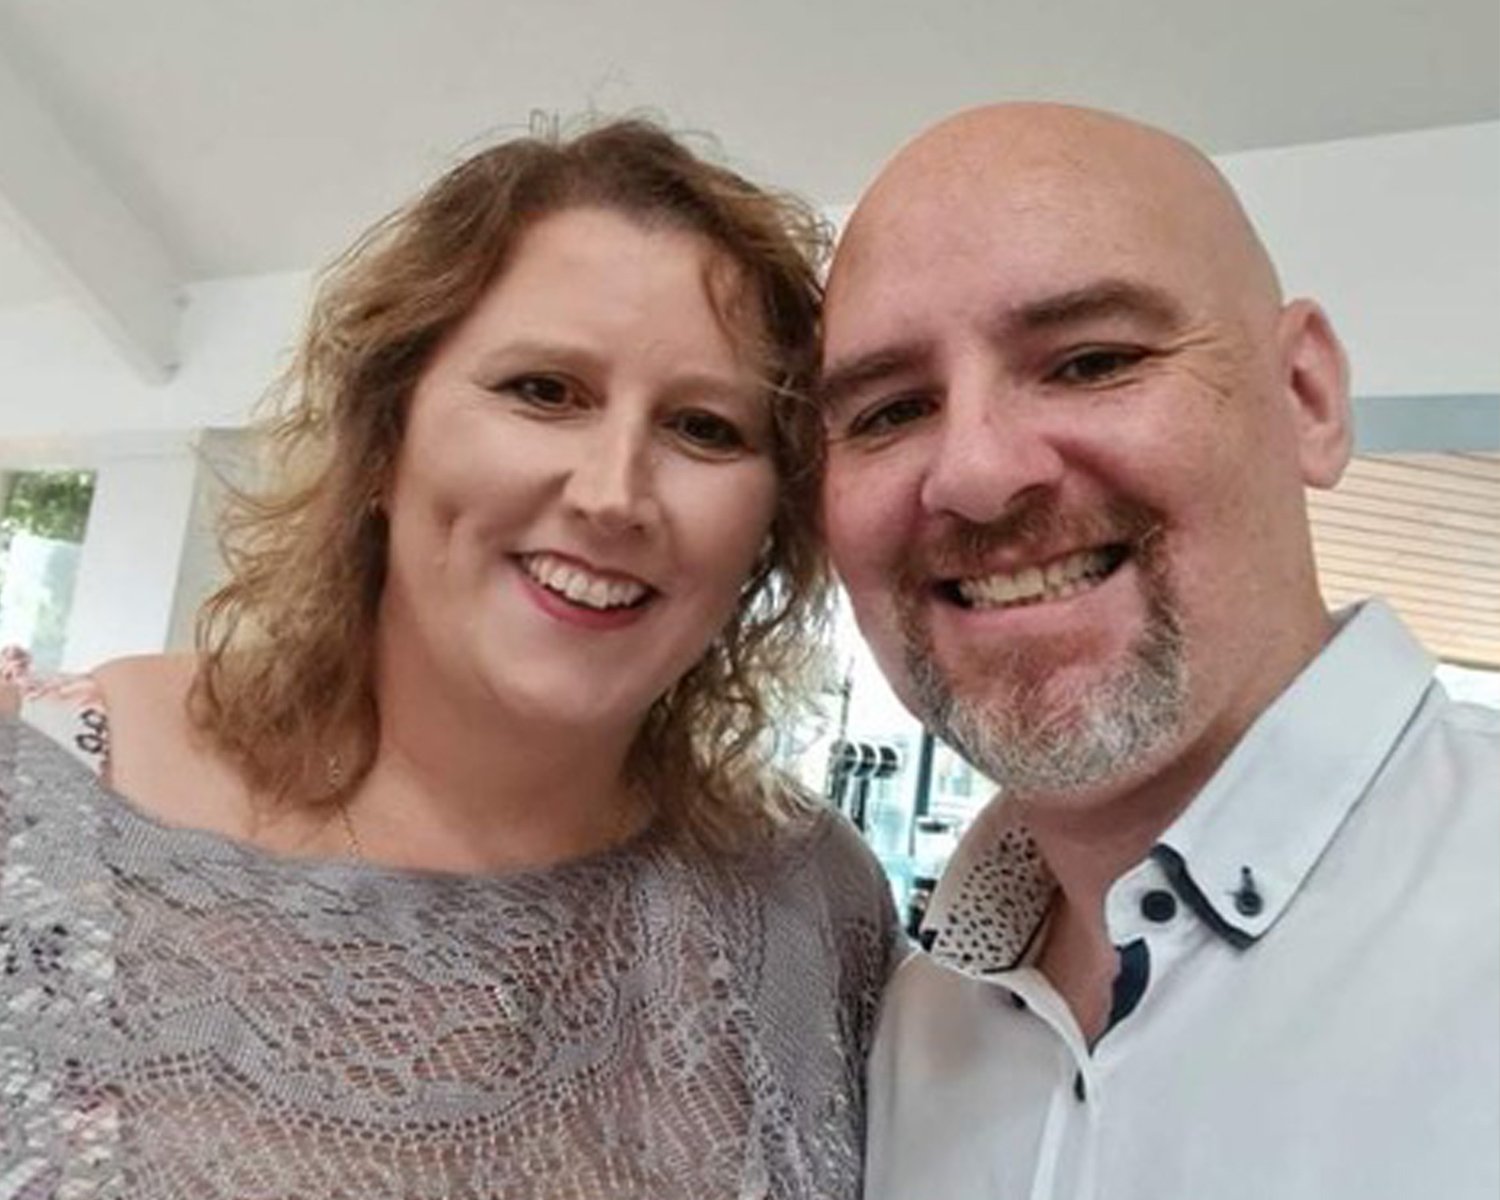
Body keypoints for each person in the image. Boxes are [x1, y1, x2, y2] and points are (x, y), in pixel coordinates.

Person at [0, 117, 899, 1199]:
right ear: (385, 438)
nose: (614, 494)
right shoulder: (39, 812)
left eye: (705, 428)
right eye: (544, 391)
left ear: (770, 524)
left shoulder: (814, 906)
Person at [818, 103, 1499, 1199]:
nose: (978, 475)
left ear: (1306, 398)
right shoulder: (915, 1019)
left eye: (1092, 360)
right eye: (890, 411)